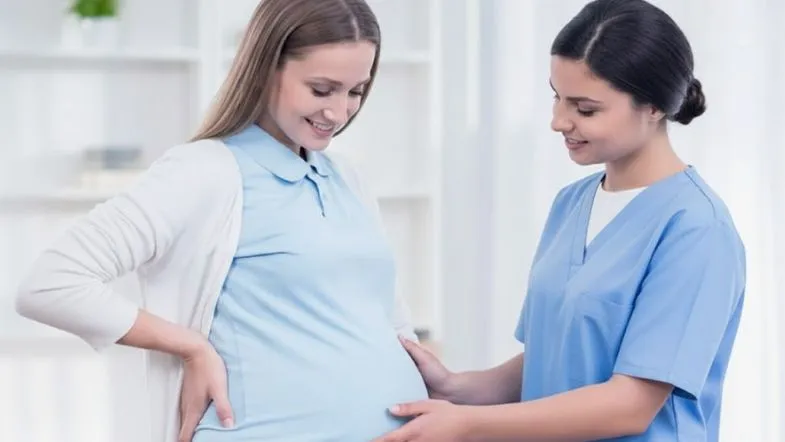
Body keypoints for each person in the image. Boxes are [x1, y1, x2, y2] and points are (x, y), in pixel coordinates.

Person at [14, 0, 429, 441]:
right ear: (267, 68)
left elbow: (384, 316)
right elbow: (50, 283)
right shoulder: (204, 172)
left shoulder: (347, 178)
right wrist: (190, 346)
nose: (340, 112)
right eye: (321, 89)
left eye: (356, 91)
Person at [374, 0, 746, 441]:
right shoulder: (572, 204)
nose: (558, 121)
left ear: (653, 107)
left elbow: (631, 406)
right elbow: (553, 359)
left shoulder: (697, 230)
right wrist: (458, 387)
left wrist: (470, 424)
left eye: (585, 109)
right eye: (557, 96)